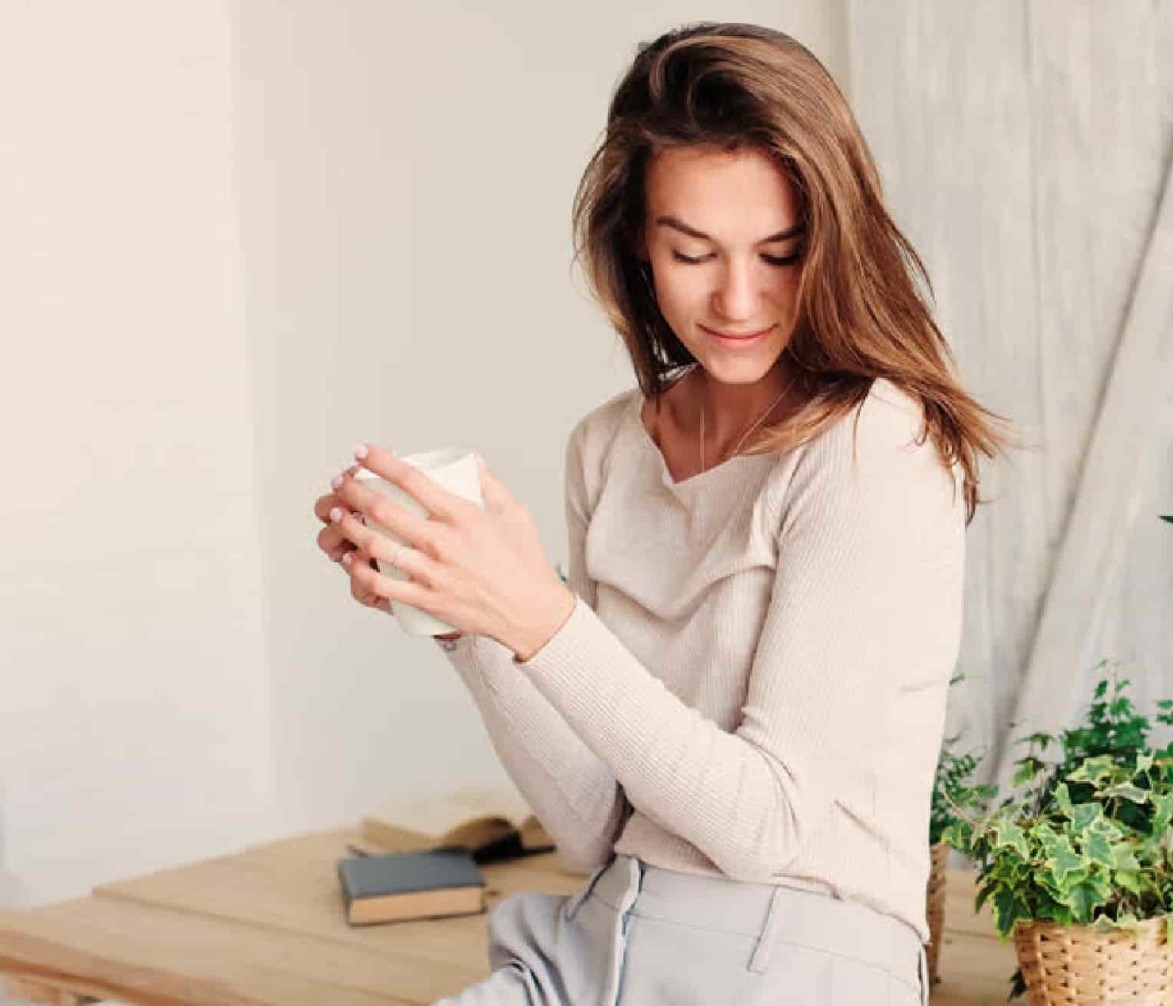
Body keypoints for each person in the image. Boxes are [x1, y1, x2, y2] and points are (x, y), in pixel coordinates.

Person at [309, 22, 1006, 1005]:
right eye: (692, 252)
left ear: (832, 243)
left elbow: (768, 827)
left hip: (794, 960)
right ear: (639, 240)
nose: (737, 298)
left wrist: (539, 615)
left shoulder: (870, 447)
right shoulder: (610, 447)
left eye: (780, 252)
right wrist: (463, 614)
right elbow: (597, 822)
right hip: (591, 943)